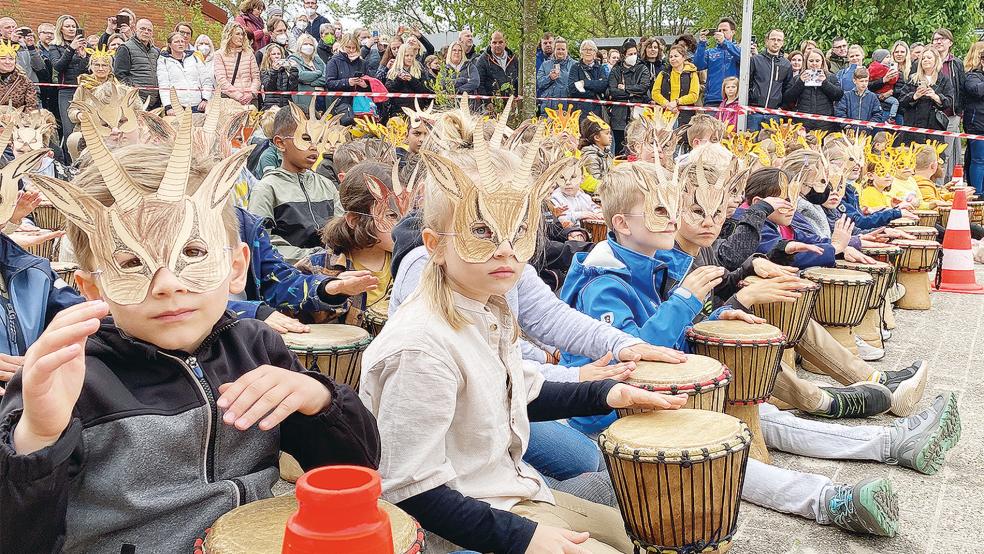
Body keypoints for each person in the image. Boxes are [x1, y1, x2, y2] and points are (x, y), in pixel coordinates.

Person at [6, 126, 380, 552]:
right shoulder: (68, 378)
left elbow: (357, 470)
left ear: (236, 267)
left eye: (193, 252)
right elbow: (19, 536)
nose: (167, 284)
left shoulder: (258, 349)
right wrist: (37, 438)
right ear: (93, 289)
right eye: (131, 262)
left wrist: (320, 400)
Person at [361, 141, 687, 554]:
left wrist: (606, 393)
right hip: (451, 530)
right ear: (435, 244)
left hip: (502, 487)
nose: (506, 249)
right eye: (482, 230)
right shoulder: (422, 348)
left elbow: (516, 388)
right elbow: (409, 491)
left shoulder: (486, 304)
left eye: (518, 230)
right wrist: (526, 537)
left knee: (648, 525)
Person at [297, 161, 404, 325]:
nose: (402, 225)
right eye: (391, 215)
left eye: (407, 212)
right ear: (354, 220)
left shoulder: (409, 264)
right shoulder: (314, 268)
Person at [248, 105, 342, 263]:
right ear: (280, 143)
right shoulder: (267, 189)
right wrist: (313, 258)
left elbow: (341, 229)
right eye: (306, 138)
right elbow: (261, 241)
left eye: (319, 139)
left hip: (330, 272)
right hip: (289, 278)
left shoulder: (326, 185)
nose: (314, 146)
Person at [895, 47, 953, 144]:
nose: (926, 60)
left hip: (934, 127)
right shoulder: (912, 79)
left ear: (936, 60)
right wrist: (915, 96)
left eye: (929, 58)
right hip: (913, 126)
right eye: (923, 58)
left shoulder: (944, 79)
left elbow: (949, 102)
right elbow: (901, 101)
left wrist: (936, 97)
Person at [50, 15, 89, 147]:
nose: (71, 29)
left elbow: (87, 71)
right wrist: (71, 49)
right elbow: (58, 67)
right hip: (66, 90)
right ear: (60, 29)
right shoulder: (54, 46)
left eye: (73, 26)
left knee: (86, 129)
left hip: (84, 89)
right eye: (68, 26)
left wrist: (84, 56)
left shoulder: (84, 46)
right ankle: (69, 163)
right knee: (69, 130)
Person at [607, 39, 651, 154]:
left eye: (635, 54)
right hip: (619, 115)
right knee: (620, 149)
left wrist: (626, 88)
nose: (633, 56)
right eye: (630, 54)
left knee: (637, 147)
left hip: (637, 114)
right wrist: (633, 91)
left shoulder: (643, 68)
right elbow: (613, 91)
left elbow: (643, 88)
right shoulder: (616, 70)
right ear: (624, 55)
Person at [933, 28, 966, 180]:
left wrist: (960, 112)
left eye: (942, 39)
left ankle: (941, 186)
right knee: (932, 152)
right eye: (935, 39)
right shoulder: (927, 60)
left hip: (952, 113)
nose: (938, 42)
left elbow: (962, 87)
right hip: (932, 114)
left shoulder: (956, 63)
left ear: (950, 43)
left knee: (946, 151)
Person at [785, 50, 843, 131]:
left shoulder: (831, 77)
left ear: (822, 62)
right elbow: (788, 98)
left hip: (825, 125)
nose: (814, 63)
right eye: (811, 61)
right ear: (806, 62)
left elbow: (838, 96)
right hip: (803, 124)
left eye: (817, 61)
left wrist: (825, 83)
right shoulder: (797, 78)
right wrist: (800, 82)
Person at [157, 31, 213, 114]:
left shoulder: (195, 58)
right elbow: (163, 85)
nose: (180, 44)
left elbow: (206, 80)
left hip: (197, 106)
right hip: (177, 108)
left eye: (182, 41)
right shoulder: (163, 60)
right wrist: (168, 106)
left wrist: (205, 99)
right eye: (176, 42)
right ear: (169, 44)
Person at [748, 29, 793, 130]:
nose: (776, 42)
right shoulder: (755, 60)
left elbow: (787, 88)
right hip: (754, 112)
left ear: (782, 43)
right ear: (766, 41)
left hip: (774, 114)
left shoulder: (786, 64)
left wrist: (783, 107)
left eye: (779, 40)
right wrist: (749, 104)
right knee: (751, 143)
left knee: (771, 144)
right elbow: (747, 83)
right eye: (773, 39)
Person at [324, 31, 370, 124]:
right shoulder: (334, 61)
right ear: (343, 46)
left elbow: (371, 83)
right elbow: (329, 83)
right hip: (340, 103)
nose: (351, 50)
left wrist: (365, 85)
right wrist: (347, 82)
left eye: (354, 47)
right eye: (348, 47)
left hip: (361, 103)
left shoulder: (363, 63)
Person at [113, 18, 160, 109]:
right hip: (135, 100)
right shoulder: (125, 47)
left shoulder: (156, 51)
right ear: (135, 29)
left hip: (154, 101)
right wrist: (133, 90)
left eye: (149, 30)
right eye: (142, 28)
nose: (146, 32)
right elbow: (120, 74)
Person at [694, 17, 741, 108]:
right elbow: (698, 65)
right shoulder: (710, 52)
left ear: (733, 32)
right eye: (719, 30)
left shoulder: (738, 49)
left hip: (734, 99)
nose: (721, 33)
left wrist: (725, 42)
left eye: (725, 30)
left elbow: (743, 58)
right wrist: (702, 43)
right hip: (713, 98)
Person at [213, 21, 260, 107]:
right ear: (229, 35)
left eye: (242, 34)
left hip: (250, 101)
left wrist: (251, 94)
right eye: (237, 34)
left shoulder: (249, 53)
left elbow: (256, 77)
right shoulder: (219, 54)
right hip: (230, 101)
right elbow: (221, 81)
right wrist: (239, 96)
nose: (241, 37)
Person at [652, 44, 701, 126]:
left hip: (685, 116)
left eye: (676, 56)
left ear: (683, 57)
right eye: (671, 57)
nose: (673, 59)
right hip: (664, 116)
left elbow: (694, 95)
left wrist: (677, 102)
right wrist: (667, 104)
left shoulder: (692, 73)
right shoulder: (663, 73)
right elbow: (655, 93)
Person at [385, 42, 433, 119]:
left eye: (411, 55)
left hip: (418, 111)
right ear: (401, 56)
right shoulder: (392, 71)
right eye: (407, 55)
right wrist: (399, 80)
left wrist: (412, 80)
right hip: (399, 112)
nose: (409, 58)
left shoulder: (420, 70)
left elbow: (427, 91)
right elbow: (388, 91)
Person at [549, 157, 603, 225]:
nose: (568, 183)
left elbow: (594, 207)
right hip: (569, 233)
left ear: (582, 179)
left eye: (573, 177)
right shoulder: (556, 197)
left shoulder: (584, 197)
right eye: (562, 177)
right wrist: (580, 215)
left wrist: (599, 213)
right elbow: (560, 218)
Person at [475, 31, 518, 110]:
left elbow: (518, 80)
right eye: (494, 42)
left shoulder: (514, 58)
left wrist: (516, 98)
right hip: (492, 104)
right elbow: (479, 84)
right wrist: (487, 102)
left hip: (512, 103)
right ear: (490, 43)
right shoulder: (482, 60)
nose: (497, 45)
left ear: (505, 43)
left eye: (500, 42)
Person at [836, 67, 887, 133]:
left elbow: (878, 113)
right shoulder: (847, 96)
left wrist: (871, 124)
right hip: (850, 131)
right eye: (861, 81)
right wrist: (846, 125)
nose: (864, 84)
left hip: (866, 132)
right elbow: (840, 111)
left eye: (866, 81)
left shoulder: (872, 97)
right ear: (854, 81)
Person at [567, 39, 608, 120]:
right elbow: (572, 89)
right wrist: (594, 90)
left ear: (595, 53)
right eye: (585, 49)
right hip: (579, 111)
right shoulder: (575, 68)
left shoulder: (600, 68)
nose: (588, 52)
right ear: (581, 52)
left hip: (597, 111)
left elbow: (603, 85)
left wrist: (584, 83)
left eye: (590, 49)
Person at [964, 41, 984, 196]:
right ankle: (977, 193)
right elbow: (976, 91)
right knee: (979, 160)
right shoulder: (972, 75)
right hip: (977, 124)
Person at [536, 36, 574, 115]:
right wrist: (549, 78)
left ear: (567, 50)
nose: (560, 52)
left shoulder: (574, 65)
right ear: (554, 50)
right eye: (558, 49)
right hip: (548, 109)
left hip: (567, 108)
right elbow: (539, 83)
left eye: (563, 49)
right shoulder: (545, 64)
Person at [288, 33, 325, 112]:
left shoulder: (318, 60)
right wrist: (318, 73)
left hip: (321, 97)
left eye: (311, 44)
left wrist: (312, 82)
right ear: (300, 45)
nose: (308, 46)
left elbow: (326, 76)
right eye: (305, 44)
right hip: (304, 99)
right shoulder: (293, 59)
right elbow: (300, 75)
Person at [0, 18, 45, 83]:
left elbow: (39, 67)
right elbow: (8, 67)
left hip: (29, 86)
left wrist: (31, 47)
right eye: (7, 28)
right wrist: (13, 43)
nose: (12, 30)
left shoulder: (24, 45)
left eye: (14, 27)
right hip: (8, 86)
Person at [579, 114, 614, 193]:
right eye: (607, 133)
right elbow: (596, 179)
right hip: (597, 194)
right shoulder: (590, 156)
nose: (610, 136)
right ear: (597, 137)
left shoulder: (607, 152)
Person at [0, 40, 38, 110]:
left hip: (17, 119)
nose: (7, 62)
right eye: (2, 58)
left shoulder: (24, 82)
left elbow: (32, 107)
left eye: (11, 59)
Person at [259, 43, 298, 109]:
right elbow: (269, 88)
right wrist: (274, 71)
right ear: (268, 56)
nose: (276, 56)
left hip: (286, 105)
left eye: (278, 54)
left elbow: (293, 89)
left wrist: (294, 71)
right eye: (273, 54)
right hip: (271, 106)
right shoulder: (265, 70)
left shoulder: (286, 70)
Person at [867, 48, 901, 123]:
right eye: (887, 57)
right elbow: (893, 80)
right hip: (884, 98)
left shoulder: (871, 68)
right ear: (881, 58)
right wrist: (896, 73)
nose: (890, 59)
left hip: (877, 96)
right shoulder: (884, 69)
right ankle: (892, 117)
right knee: (895, 102)